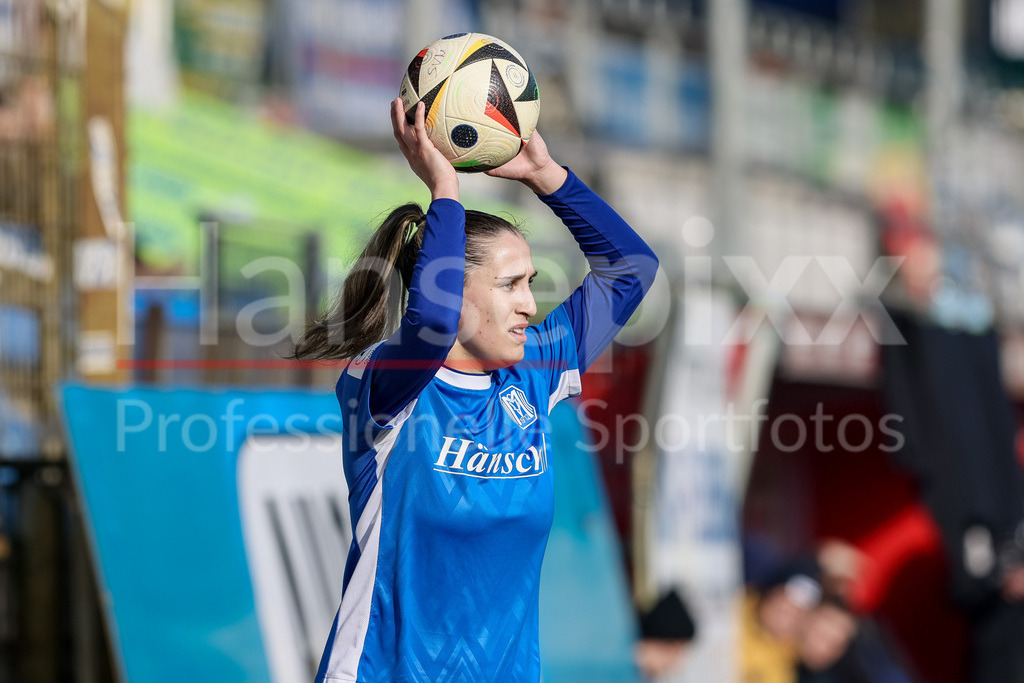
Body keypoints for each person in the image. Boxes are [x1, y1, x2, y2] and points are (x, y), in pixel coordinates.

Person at [295, 99, 659, 682]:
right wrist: (444, 188)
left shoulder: (534, 372)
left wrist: (550, 179)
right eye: (510, 284)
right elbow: (435, 325)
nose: (528, 305)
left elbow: (632, 269)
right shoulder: (389, 385)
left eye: (531, 284)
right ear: (453, 290)